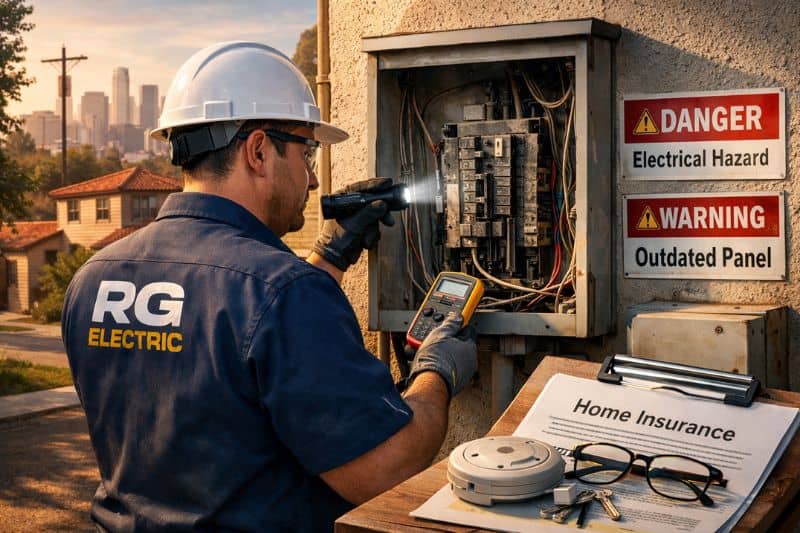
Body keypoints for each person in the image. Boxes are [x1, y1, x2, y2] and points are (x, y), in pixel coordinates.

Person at [61, 41, 477, 532]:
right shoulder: (285, 293)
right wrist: (436, 373)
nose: (314, 180)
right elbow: (386, 467)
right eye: (307, 153)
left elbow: (235, 336)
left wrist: (333, 254)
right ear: (258, 151)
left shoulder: (94, 279)